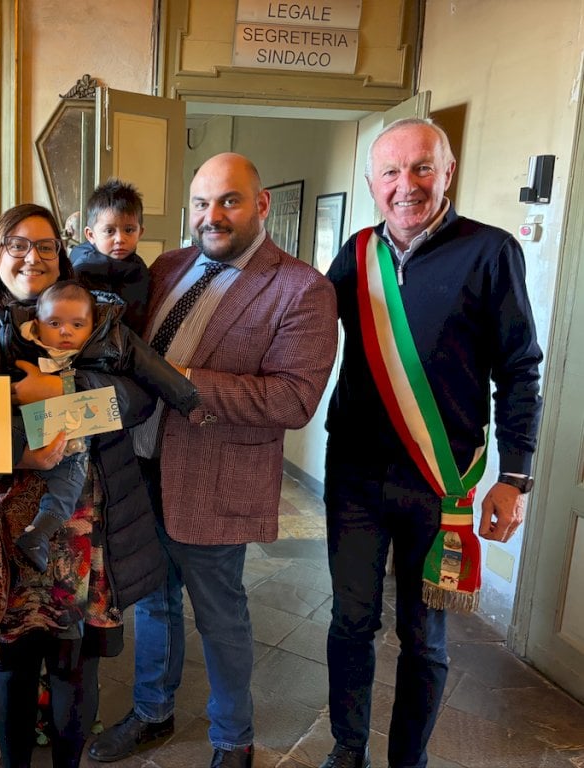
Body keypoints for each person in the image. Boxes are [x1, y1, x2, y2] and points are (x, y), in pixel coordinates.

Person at [88, 153, 338, 768]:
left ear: (262, 204)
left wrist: (178, 377)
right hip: (140, 469)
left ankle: (234, 739)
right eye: (201, 203)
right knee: (154, 602)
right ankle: (152, 712)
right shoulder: (167, 266)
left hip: (215, 480)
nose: (212, 215)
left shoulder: (302, 288)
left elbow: (294, 399)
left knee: (220, 615)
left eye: (229, 200)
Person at [318, 118, 543, 768]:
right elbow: (301, 328)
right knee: (350, 622)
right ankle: (348, 749)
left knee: (424, 640)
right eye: (390, 172)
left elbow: (519, 369)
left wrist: (515, 476)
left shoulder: (491, 250)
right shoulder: (356, 253)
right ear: (372, 183)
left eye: (421, 168)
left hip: (438, 486)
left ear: (447, 172)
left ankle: (407, 761)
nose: (406, 185)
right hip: (355, 479)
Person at [0, 203, 167, 768]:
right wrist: (22, 451)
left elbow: (136, 400)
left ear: (61, 254)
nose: (32, 257)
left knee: (74, 666)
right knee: (10, 665)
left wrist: (60, 392)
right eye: (18, 244)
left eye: (45, 245)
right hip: (1, 518)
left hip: (80, 516)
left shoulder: (93, 314)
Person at [0, 280, 200, 572]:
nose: (66, 331)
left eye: (77, 324)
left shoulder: (111, 337)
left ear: (93, 323)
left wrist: (186, 396)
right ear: (36, 324)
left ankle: (39, 533)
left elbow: (150, 366)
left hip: (73, 430)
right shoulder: (14, 336)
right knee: (6, 436)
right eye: (55, 323)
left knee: (70, 477)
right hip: (20, 420)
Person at [69, 179, 150, 335]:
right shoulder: (82, 268)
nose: (120, 239)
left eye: (129, 230)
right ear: (91, 235)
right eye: (109, 231)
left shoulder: (139, 270)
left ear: (140, 233)